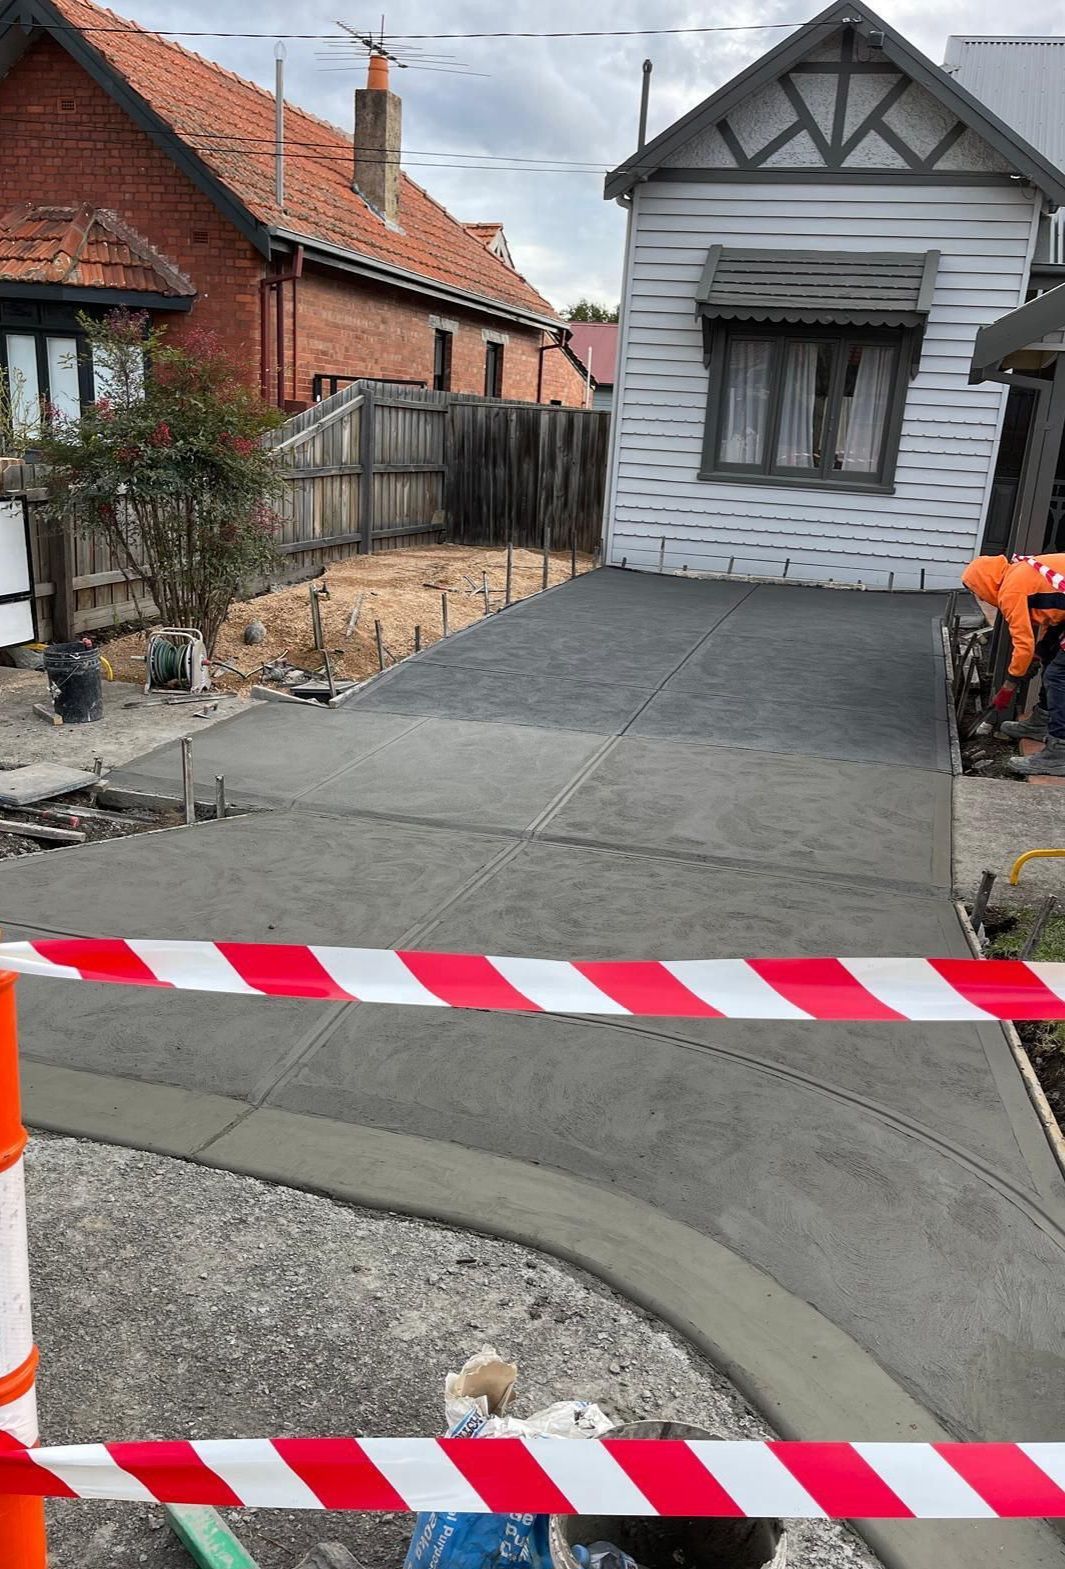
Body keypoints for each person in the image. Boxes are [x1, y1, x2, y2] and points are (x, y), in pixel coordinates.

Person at [961, 552, 1065, 776]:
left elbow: (1023, 643)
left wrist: (1009, 685)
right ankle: (1042, 722)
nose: (981, 599)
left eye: (977, 592)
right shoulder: (1019, 572)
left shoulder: (1011, 590)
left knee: (1058, 675)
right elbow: (1054, 615)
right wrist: (1039, 654)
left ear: (984, 581)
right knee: (1052, 662)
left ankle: (1059, 752)